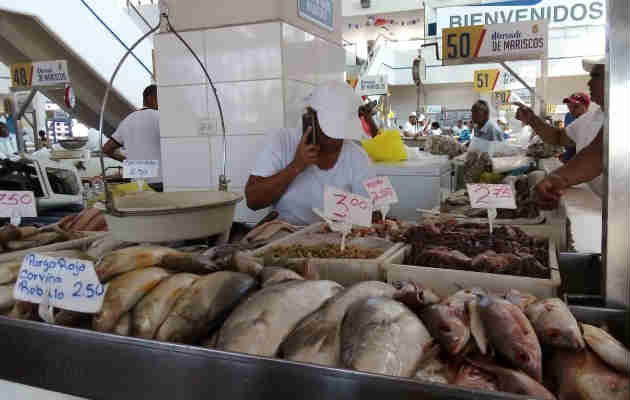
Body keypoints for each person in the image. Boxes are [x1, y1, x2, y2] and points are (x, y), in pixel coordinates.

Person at [245, 81, 375, 226]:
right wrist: (296, 166)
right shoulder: (282, 141)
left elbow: (372, 211)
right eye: (330, 134)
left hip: (336, 237)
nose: (335, 141)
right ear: (310, 119)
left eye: (341, 134)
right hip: (284, 234)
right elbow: (253, 200)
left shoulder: (357, 156)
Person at [518, 58, 605, 198]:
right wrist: (532, 120)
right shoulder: (589, 119)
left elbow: (597, 154)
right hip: (595, 205)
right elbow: (558, 137)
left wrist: (557, 178)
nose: (589, 82)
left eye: (596, 76)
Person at [103, 84, 163, 192]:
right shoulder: (160, 117)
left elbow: (107, 149)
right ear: (151, 98)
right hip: (159, 181)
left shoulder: (127, 120)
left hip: (136, 184)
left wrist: (130, 162)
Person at [559, 92, 590, 163]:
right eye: (569, 107)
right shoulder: (568, 116)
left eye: (576, 107)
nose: (572, 110)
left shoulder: (591, 122)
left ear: (586, 106)